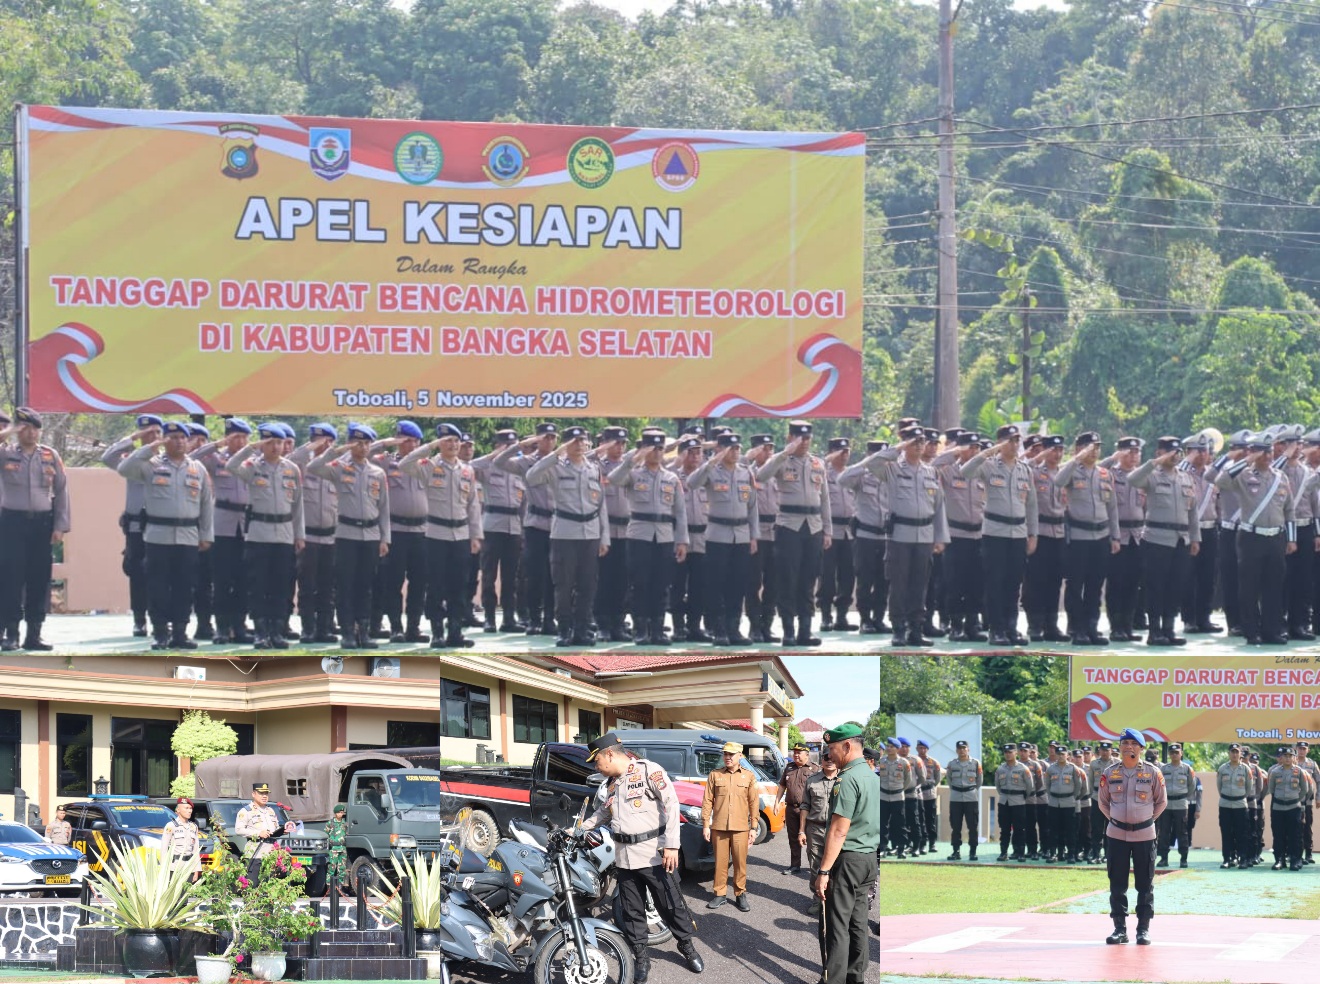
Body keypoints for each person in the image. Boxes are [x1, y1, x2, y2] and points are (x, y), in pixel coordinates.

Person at [579, 733, 703, 983]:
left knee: (670, 905)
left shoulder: (648, 771)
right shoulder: (613, 784)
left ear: (610, 754)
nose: (595, 766)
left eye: (597, 761)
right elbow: (604, 812)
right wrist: (579, 829)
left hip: (653, 856)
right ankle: (641, 958)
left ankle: (687, 947)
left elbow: (671, 803)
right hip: (624, 859)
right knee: (632, 912)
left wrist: (671, 845)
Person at [117, 422, 216, 650]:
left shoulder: (197, 468)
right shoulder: (150, 465)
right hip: (157, 536)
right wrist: (150, 447)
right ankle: (160, 632)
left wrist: (206, 535)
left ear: (188, 441)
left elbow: (206, 504)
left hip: (188, 536)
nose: (178, 441)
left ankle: (180, 632)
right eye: (172, 437)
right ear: (164, 440)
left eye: (183, 437)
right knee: (157, 586)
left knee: (185, 586)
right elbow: (124, 468)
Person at [856, 427, 949, 647]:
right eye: (913, 441)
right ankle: (898, 629)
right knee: (899, 584)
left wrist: (940, 537)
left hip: (924, 536)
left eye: (921, 441)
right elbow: (871, 463)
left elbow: (938, 507)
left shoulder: (931, 472)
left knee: (920, 585)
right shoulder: (893, 470)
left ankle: (915, 629)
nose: (918, 445)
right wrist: (898, 447)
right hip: (900, 536)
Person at [524, 426, 611, 647]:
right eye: (574, 441)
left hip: (590, 533)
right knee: (563, 584)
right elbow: (531, 477)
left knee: (587, 584)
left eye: (583, 440)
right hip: (564, 533)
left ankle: (582, 629)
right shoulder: (556, 467)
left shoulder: (594, 469)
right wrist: (556, 454)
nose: (580, 445)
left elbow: (601, 505)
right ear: (565, 444)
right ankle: (564, 628)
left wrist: (604, 537)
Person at [307, 425, 391, 651]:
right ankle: (347, 632)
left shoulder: (377, 473)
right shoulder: (339, 468)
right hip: (346, 534)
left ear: (371, 446)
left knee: (365, 585)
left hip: (371, 535)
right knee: (345, 585)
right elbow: (313, 466)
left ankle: (363, 631)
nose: (362, 447)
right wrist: (337, 451)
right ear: (350, 444)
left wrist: (385, 538)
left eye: (365, 443)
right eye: (357, 443)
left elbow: (384, 508)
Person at [399, 423, 482, 649]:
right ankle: (437, 632)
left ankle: (455, 632)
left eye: (456, 441)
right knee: (435, 585)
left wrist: (476, 535)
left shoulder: (467, 470)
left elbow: (473, 505)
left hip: (461, 535)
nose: (453, 445)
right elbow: (404, 463)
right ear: (439, 443)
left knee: (459, 586)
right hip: (436, 535)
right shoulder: (428, 466)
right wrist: (430, 447)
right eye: (448, 440)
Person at [227, 423, 305, 649]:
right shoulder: (252, 466)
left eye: (279, 442)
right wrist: (251, 448)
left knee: (280, 585)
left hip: (284, 534)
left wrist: (299, 535)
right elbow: (231, 465)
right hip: (259, 534)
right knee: (258, 584)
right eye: (269, 442)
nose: (275, 447)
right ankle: (261, 632)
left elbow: (298, 506)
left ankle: (277, 631)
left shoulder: (292, 469)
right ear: (262, 444)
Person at [812, 722, 880, 984]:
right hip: (867, 859)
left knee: (837, 925)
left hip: (847, 860)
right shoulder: (873, 777)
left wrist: (824, 871)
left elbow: (839, 830)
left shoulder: (848, 779)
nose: (829, 755)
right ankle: (855, 977)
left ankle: (834, 980)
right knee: (858, 922)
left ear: (848, 746)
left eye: (832, 748)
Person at [1214, 433, 1297, 644]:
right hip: (1251, 537)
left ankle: (1272, 630)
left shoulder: (1281, 477)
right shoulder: (1243, 475)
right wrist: (1246, 460)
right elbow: (1220, 480)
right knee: (1249, 586)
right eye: (1262, 452)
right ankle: (1252, 631)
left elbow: (1289, 511)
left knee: (1273, 586)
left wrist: (1291, 539)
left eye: (1268, 451)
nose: (1267, 456)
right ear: (1253, 453)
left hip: (1275, 537)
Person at [0, 408, 71, 652]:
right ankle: (10, 632)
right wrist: (7, 431)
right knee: (11, 579)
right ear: (18, 429)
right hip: (12, 523)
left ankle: (34, 634)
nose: (31, 433)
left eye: (35, 428)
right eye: (25, 428)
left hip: (42, 524)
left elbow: (61, 491)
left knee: (39, 580)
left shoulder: (50, 455)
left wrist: (60, 526)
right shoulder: (6, 453)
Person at [960, 426, 1037, 646]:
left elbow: (1031, 505)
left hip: (1018, 533)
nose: (1014, 445)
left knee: (1013, 583)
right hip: (995, 533)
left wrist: (1033, 534)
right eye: (1010, 441)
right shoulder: (989, 465)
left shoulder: (1025, 470)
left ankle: (1011, 627)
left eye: (1017, 441)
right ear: (1000, 442)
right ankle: (997, 629)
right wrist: (986, 452)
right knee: (995, 582)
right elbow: (965, 472)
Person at [756, 421, 831, 647]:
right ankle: (788, 630)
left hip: (814, 526)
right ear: (790, 437)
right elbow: (760, 475)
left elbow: (824, 499)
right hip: (789, 526)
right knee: (787, 579)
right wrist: (783, 454)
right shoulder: (782, 461)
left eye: (808, 438)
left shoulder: (818, 463)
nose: (805, 442)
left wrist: (828, 529)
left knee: (809, 579)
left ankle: (805, 631)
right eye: (800, 438)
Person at [684, 433, 757, 645]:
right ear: (721, 450)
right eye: (730, 448)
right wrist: (710, 462)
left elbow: (752, 507)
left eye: (737, 448)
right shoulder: (712, 471)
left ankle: (734, 628)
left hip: (741, 535)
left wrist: (754, 536)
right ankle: (719, 629)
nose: (735, 452)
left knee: (738, 584)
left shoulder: (745, 473)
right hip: (718, 534)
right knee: (716, 584)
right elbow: (691, 482)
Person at [1096, 728, 1166, 945]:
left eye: (1134, 744)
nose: (1129, 747)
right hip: (1116, 835)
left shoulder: (1153, 772)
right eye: (1125, 743)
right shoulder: (1110, 773)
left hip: (1145, 835)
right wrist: (1119, 822)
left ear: (1141, 748)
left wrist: (1144, 821)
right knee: (1117, 883)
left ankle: (1143, 929)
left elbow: (1161, 802)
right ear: (1120, 747)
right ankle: (1119, 929)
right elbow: (1103, 802)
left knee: (1145, 884)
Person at [1129, 438, 1200, 646]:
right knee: (1155, 587)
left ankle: (1169, 629)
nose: (1174, 455)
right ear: (1160, 452)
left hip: (1181, 540)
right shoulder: (1152, 476)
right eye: (1169, 452)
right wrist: (1155, 462)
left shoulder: (1186, 478)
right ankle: (1155, 631)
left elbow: (1193, 511)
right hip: (1156, 539)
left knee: (1175, 586)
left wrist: (1195, 538)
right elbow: (1133, 479)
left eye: (1177, 452)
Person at [191, 418, 253, 645]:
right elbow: (193, 457)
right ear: (228, 438)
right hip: (223, 525)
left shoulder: (251, 461)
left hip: (246, 526)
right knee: (222, 579)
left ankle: (240, 626)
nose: (241, 441)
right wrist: (217, 444)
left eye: (244, 437)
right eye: (236, 437)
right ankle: (222, 628)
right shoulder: (215, 459)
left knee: (243, 580)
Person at [101, 414, 164, 637]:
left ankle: (160, 619)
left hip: (160, 527)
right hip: (137, 526)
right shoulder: (130, 460)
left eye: (157, 433)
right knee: (137, 573)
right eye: (148, 433)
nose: (153, 437)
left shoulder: (165, 461)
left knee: (159, 574)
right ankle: (139, 619)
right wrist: (133, 438)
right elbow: (108, 457)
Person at [1054, 432, 1120, 645]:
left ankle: (1092, 626)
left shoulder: (1104, 474)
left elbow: (1112, 508)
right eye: (1089, 447)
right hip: (1079, 537)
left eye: (1097, 447)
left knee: (1095, 584)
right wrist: (1076, 459)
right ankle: (1077, 627)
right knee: (1076, 584)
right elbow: (1058, 481)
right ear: (1079, 449)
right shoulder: (1073, 470)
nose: (1094, 452)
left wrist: (1115, 536)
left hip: (1101, 536)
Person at [369, 421, 429, 642]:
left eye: (414, 441)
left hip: (421, 531)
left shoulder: (425, 465)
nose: (411, 445)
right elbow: (364, 456)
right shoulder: (385, 463)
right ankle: (396, 627)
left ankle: (413, 627)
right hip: (395, 530)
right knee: (393, 581)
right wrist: (386, 443)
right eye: (406, 441)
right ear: (398, 441)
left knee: (419, 581)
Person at [471, 429, 525, 633]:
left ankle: (509, 618)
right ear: (498, 446)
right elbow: (470, 466)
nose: (511, 450)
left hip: (514, 526)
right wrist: (495, 455)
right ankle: (490, 618)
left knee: (512, 576)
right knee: (489, 575)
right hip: (492, 526)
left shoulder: (518, 469)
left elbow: (524, 503)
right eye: (507, 445)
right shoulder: (488, 467)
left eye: (514, 445)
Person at [290, 424, 339, 643]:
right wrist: (312, 446)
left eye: (328, 440)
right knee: (307, 585)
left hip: (331, 536)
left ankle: (325, 628)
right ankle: (307, 628)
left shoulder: (338, 466)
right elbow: (291, 458)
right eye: (320, 440)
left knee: (328, 586)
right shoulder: (302, 465)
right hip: (307, 536)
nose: (325, 444)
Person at [701, 741, 759, 911]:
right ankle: (720, 894)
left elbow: (753, 803)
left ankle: (740, 893)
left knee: (740, 863)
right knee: (720, 862)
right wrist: (706, 824)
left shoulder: (748, 776)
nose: (727, 757)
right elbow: (707, 801)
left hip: (741, 827)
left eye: (731, 754)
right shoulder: (715, 775)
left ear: (740, 756)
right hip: (719, 827)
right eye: (725, 754)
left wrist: (753, 828)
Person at [840, 440, 891, 635]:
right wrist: (865, 464)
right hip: (865, 536)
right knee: (865, 579)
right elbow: (842, 479)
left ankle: (879, 618)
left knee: (884, 580)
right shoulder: (862, 476)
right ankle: (865, 619)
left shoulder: (889, 476)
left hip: (886, 536)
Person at [1099, 437, 1146, 641]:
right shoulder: (1110, 474)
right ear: (1120, 453)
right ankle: (1116, 626)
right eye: (1129, 452)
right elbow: (1095, 470)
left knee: (1132, 583)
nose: (1134, 456)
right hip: (1118, 535)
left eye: (1137, 452)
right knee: (1116, 582)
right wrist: (1112, 459)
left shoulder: (1142, 476)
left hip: (1137, 535)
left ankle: (1128, 625)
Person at [594, 426, 633, 641]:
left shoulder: (631, 468)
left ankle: (618, 622)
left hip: (627, 530)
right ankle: (602, 623)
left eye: (622, 443)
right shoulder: (597, 466)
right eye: (615, 443)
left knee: (622, 580)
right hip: (605, 529)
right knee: (604, 579)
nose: (619, 447)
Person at [743, 434, 780, 643]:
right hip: (756, 534)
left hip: (776, 532)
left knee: (773, 583)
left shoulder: (778, 473)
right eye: (764, 449)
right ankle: (754, 626)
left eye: (770, 449)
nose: (768, 453)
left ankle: (767, 624)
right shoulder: (747, 473)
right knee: (753, 582)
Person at [819, 438, 856, 630]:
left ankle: (842, 616)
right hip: (830, 531)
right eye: (840, 451)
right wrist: (828, 459)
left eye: (847, 451)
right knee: (827, 575)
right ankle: (826, 615)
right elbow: (817, 467)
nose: (844, 455)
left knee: (848, 575)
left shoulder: (851, 475)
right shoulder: (824, 473)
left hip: (849, 532)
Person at [800, 753, 840, 916]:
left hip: (837, 830)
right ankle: (818, 900)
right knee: (816, 865)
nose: (829, 762)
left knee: (837, 865)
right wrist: (801, 830)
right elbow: (805, 806)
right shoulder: (812, 780)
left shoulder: (844, 780)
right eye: (826, 759)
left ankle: (835, 901)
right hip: (815, 829)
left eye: (832, 759)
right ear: (821, 761)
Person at [235, 781, 296, 880]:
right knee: (253, 883)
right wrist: (258, 833)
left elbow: (274, 828)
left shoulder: (270, 811)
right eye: (261, 793)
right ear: (253, 794)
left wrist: (282, 831)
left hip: (271, 852)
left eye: (266, 793)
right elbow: (239, 830)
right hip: (255, 851)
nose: (264, 796)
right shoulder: (246, 811)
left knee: (270, 884)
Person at [776, 742, 820, 875]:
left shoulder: (815, 769)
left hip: (809, 810)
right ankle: (795, 865)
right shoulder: (789, 768)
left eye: (798, 752)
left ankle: (815, 867)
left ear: (806, 754)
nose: (795, 755)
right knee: (793, 838)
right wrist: (776, 802)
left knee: (812, 838)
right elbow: (782, 786)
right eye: (794, 752)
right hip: (791, 809)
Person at [1266, 745, 1305, 871]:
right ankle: (1279, 860)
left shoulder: (1299, 772)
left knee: (1295, 835)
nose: (1287, 758)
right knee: (1278, 835)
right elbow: (1271, 789)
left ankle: (1295, 860)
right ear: (1281, 758)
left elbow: (1305, 789)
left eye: (1290, 756)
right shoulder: (1275, 772)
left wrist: (1296, 799)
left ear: (1294, 758)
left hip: (1294, 807)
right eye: (1285, 756)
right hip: (1278, 808)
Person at [1157, 743, 1195, 868]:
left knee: (1182, 831)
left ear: (1181, 753)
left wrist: (1183, 796)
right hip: (1166, 804)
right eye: (1172, 753)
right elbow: (1159, 785)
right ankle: (1163, 858)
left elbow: (1191, 786)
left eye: (1177, 752)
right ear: (1169, 754)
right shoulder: (1164, 769)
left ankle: (1183, 858)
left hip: (1181, 803)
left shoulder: (1187, 769)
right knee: (1164, 832)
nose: (1174, 755)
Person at [944, 740, 982, 861]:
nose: (962, 750)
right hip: (956, 797)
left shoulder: (975, 763)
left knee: (972, 826)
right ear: (956, 750)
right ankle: (956, 851)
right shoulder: (952, 764)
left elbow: (979, 780)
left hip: (971, 797)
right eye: (959, 748)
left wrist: (970, 790)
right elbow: (949, 779)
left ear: (968, 749)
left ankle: (973, 851)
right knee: (955, 826)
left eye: (964, 748)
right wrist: (956, 790)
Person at [994, 743, 1031, 862]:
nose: (1008, 754)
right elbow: (998, 786)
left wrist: (1021, 796)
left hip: (1018, 801)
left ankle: (1020, 853)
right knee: (1004, 829)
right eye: (1006, 752)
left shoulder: (1023, 768)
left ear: (1016, 753)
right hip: (1004, 801)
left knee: (1019, 829)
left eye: (1010, 752)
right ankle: (1003, 852)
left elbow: (1030, 786)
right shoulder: (1000, 769)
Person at [877, 738, 911, 858]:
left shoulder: (904, 763)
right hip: (883, 796)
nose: (889, 748)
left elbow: (908, 779)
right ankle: (883, 848)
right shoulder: (882, 761)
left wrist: (900, 789)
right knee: (883, 824)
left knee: (900, 824)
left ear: (897, 748)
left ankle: (901, 849)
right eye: (888, 746)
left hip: (898, 797)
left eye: (892, 746)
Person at [162, 797, 203, 881]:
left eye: (190, 808)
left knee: (188, 893)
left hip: (189, 868)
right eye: (186, 808)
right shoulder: (171, 826)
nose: (189, 811)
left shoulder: (193, 827)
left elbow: (195, 850)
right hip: (174, 867)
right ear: (178, 810)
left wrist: (197, 870)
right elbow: (164, 849)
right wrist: (164, 869)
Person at [915, 739, 941, 854]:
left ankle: (932, 843)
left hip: (930, 794)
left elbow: (937, 778)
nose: (922, 750)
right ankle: (921, 844)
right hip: (917, 793)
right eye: (920, 748)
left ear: (927, 749)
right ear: (917, 749)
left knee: (931, 820)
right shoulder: (913, 761)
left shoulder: (934, 762)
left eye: (924, 748)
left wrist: (930, 786)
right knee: (919, 820)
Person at [325, 803, 349, 890]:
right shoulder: (330, 823)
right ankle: (329, 887)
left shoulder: (345, 823)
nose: (341, 814)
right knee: (331, 868)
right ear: (336, 813)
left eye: (342, 812)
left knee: (342, 868)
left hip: (342, 848)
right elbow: (325, 835)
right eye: (340, 812)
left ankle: (340, 887)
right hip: (334, 849)